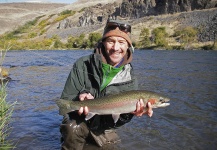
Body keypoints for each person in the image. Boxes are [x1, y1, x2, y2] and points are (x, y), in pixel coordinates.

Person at [59, 18, 153, 150]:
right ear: (103, 43)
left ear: (128, 46)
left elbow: (117, 122)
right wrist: (79, 98)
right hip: (79, 121)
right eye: (111, 41)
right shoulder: (83, 64)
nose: (116, 48)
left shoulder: (130, 77)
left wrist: (131, 114)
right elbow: (65, 101)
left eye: (121, 42)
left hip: (105, 129)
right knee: (72, 128)